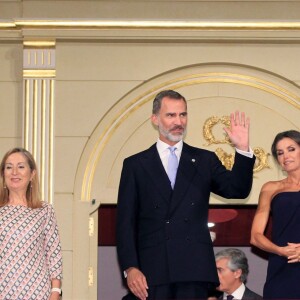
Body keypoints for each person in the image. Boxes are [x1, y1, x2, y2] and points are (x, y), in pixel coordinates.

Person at [116, 90, 256, 300]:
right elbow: (125, 223)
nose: (178, 121)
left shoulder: (204, 160)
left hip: (193, 269)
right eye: (170, 115)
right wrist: (130, 267)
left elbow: (236, 190)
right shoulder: (136, 165)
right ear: (155, 119)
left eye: (183, 115)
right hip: (152, 270)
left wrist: (242, 149)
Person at [0, 147, 63, 300]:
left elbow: (54, 254)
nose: (14, 172)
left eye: (21, 166)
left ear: (32, 174)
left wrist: (55, 292)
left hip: (38, 293)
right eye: (9, 167)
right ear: (3, 174)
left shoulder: (44, 210)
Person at [250, 130, 300, 299]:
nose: (285, 156)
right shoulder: (270, 188)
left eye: (291, 149)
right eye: (280, 153)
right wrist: (281, 251)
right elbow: (255, 237)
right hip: (281, 268)